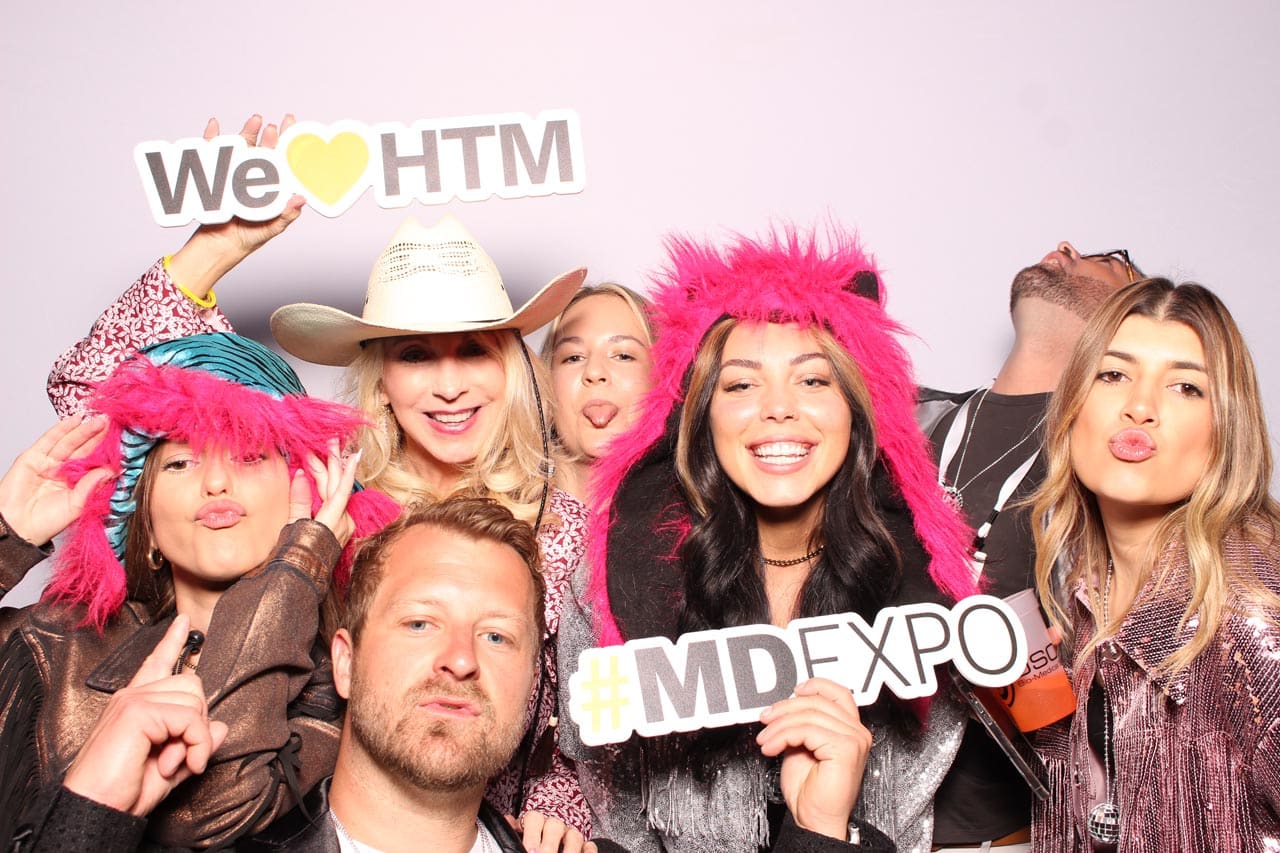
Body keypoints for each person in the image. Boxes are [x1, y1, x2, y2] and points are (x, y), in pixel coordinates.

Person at [47, 135, 594, 843]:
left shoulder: (568, 529)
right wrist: (214, 249)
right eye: (416, 354)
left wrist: (554, 817)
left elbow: (573, 717)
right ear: (382, 379)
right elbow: (91, 396)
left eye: (473, 350)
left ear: (511, 367)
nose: (450, 385)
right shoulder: (325, 495)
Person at [559, 224, 978, 852]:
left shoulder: (923, 591)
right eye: (741, 384)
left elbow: (907, 821)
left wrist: (824, 828)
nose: (778, 408)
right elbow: (611, 808)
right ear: (700, 416)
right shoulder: (612, 582)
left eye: (813, 380)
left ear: (858, 408)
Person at [2, 332, 398, 849]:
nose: (215, 482)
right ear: (143, 518)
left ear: (304, 493)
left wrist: (299, 563)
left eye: (250, 456)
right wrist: (7, 535)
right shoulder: (53, 641)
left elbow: (208, 812)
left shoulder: (347, 684)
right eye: (180, 462)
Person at [1029, 279, 1280, 850]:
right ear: (1072, 405)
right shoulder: (1088, 589)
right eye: (1113, 375)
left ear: (1226, 429)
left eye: (1186, 387)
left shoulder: (1255, 612)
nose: (1140, 407)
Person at [917, 243, 1141, 851]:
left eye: (1109, 258)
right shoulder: (899, 417)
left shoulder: (1115, 467)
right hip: (836, 819)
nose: (1065, 248)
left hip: (1004, 833)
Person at [540, 283, 655, 501]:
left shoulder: (707, 517)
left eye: (623, 356)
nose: (594, 372)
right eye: (573, 357)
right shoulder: (492, 515)